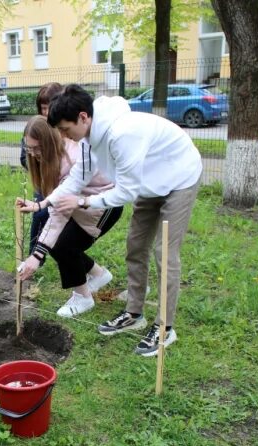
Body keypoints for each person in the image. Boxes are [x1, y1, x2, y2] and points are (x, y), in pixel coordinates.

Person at [43, 84, 202, 357]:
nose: (63, 135)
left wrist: (84, 202)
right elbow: (78, 177)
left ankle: (165, 327)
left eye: (65, 128)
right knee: (136, 247)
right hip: (149, 184)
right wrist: (44, 202)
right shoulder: (87, 138)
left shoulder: (122, 133)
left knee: (164, 253)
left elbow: (125, 192)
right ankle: (134, 313)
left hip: (179, 179)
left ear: (83, 117)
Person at [16, 115, 122, 318]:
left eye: (37, 149)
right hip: (79, 204)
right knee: (57, 243)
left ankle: (83, 298)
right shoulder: (49, 157)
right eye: (29, 148)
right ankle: (99, 275)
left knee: (63, 245)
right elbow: (55, 204)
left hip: (103, 205)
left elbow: (58, 214)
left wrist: (37, 255)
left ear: (49, 142)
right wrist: (39, 206)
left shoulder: (70, 161)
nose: (33, 154)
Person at [20, 82, 63, 254]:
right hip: (43, 180)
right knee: (40, 215)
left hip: (62, 184)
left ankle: (39, 254)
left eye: (49, 107)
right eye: (43, 108)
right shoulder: (34, 129)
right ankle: (35, 255)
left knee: (55, 222)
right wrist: (36, 154)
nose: (46, 112)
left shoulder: (65, 130)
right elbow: (24, 159)